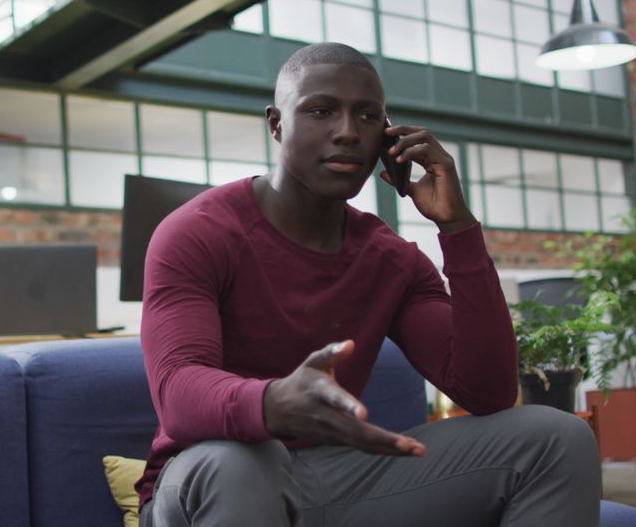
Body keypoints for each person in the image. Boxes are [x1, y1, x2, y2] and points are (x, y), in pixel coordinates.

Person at [137, 42, 600, 526]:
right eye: (321, 111)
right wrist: (273, 403)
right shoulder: (197, 232)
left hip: (329, 478)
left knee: (555, 436)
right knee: (246, 460)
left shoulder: (391, 259)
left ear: (387, 137)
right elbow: (177, 392)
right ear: (276, 124)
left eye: (367, 117)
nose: (347, 133)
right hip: (207, 478)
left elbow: (488, 393)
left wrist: (459, 229)